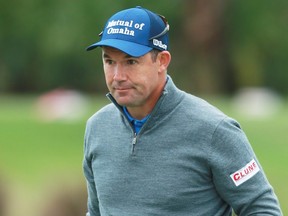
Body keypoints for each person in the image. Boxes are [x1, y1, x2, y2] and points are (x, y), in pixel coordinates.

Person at [83, 6, 282, 216]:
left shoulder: (214, 130)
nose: (117, 76)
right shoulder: (97, 128)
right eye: (109, 61)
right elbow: (95, 212)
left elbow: (262, 209)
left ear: (162, 61)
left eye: (131, 62)